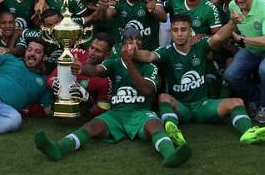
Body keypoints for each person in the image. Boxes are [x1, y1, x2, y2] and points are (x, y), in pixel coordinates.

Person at [34, 27, 191, 168]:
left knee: (155, 125)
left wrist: (130, 64)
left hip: (140, 112)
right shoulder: (114, 63)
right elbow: (95, 70)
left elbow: (147, 91)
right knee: (92, 126)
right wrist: (81, 68)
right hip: (117, 114)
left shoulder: (149, 67)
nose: (134, 44)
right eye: (130, 40)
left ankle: (170, 154)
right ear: (123, 45)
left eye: (138, 40)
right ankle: (58, 148)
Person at [134, 14, 265, 145]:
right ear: (171, 32)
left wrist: (233, 23)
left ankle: (248, 132)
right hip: (181, 107)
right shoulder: (166, 51)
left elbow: (218, 36)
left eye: (183, 29)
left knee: (236, 102)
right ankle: (173, 132)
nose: (179, 33)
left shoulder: (200, 46)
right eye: (175, 30)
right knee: (164, 97)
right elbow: (149, 56)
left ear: (190, 31)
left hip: (202, 105)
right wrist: (132, 52)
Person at [47, 32, 113, 116]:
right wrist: (53, 82)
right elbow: (50, 78)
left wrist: (88, 99)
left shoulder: (105, 80)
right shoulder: (75, 54)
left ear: (107, 55)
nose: (92, 52)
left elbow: (104, 113)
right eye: (92, 48)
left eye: (98, 51)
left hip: (82, 112)